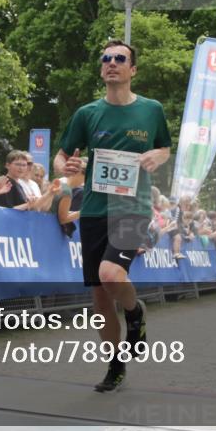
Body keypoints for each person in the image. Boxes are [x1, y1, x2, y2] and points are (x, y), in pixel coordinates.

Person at [54, 39, 171, 393]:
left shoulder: (151, 110)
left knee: (110, 273)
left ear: (132, 69)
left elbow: (164, 147)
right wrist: (67, 166)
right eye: (106, 59)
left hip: (131, 209)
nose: (112, 63)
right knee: (101, 298)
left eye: (120, 58)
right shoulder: (87, 114)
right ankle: (115, 365)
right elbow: (61, 159)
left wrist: (157, 157)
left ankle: (135, 313)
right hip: (93, 210)